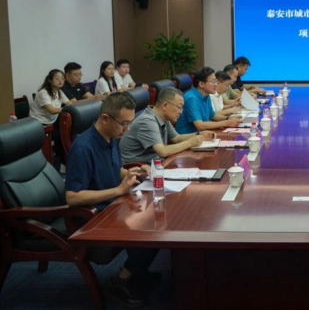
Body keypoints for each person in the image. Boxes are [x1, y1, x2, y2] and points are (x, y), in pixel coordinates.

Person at [65, 93, 158, 308]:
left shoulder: (111, 137)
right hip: (91, 217)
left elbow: (114, 170)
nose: (127, 129)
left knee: (159, 216)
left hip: (112, 206)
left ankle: (136, 271)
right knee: (150, 229)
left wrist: (133, 173)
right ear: (105, 118)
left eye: (130, 123)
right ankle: (120, 281)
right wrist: (118, 190)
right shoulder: (83, 148)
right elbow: (72, 197)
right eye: (124, 124)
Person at [120, 87, 216, 163]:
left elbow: (176, 138)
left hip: (155, 164)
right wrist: (190, 143)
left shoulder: (163, 117)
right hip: (137, 170)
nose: (181, 112)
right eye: (179, 107)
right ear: (165, 105)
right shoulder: (147, 121)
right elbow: (162, 151)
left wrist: (199, 134)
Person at [174, 67, 242, 134]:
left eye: (216, 81)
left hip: (203, 134)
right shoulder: (191, 98)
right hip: (189, 138)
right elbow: (200, 125)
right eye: (213, 81)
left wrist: (229, 118)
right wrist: (226, 123)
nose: (216, 84)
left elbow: (213, 116)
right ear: (201, 84)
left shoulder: (206, 95)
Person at [29, 69, 73, 169]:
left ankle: (65, 160)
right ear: (49, 80)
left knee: (67, 132)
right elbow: (52, 110)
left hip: (52, 121)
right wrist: (66, 108)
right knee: (60, 136)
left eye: (62, 78)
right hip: (39, 124)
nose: (60, 81)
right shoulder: (43, 93)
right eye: (57, 78)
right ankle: (63, 164)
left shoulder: (59, 92)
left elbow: (70, 104)